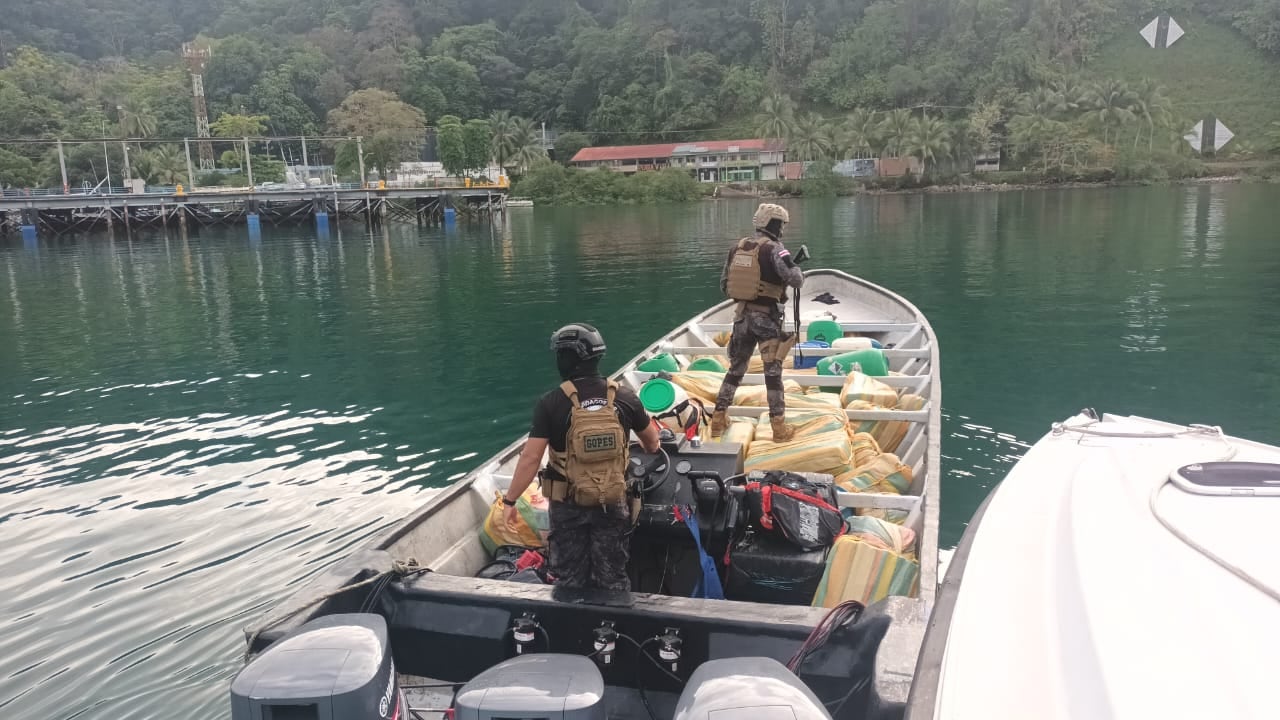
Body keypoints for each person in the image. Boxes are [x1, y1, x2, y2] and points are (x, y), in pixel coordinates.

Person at [503, 323, 662, 591]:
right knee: (612, 575)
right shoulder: (624, 396)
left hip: (568, 505)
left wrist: (510, 500)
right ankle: (613, 627)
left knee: (568, 578)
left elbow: (530, 459)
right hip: (611, 502)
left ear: (567, 358)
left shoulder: (551, 403)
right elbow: (652, 443)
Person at [710, 203, 807, 442]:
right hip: (765, 320)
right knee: (772, 375)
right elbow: (796, 280)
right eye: (781, 224)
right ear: (773, 224)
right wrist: (794, 268)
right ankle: (779, 429)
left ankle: (718, 419)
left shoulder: (737, 248)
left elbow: (725, 285)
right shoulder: (776, 249)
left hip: (741, 318)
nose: (783, 229)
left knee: (735, 370)